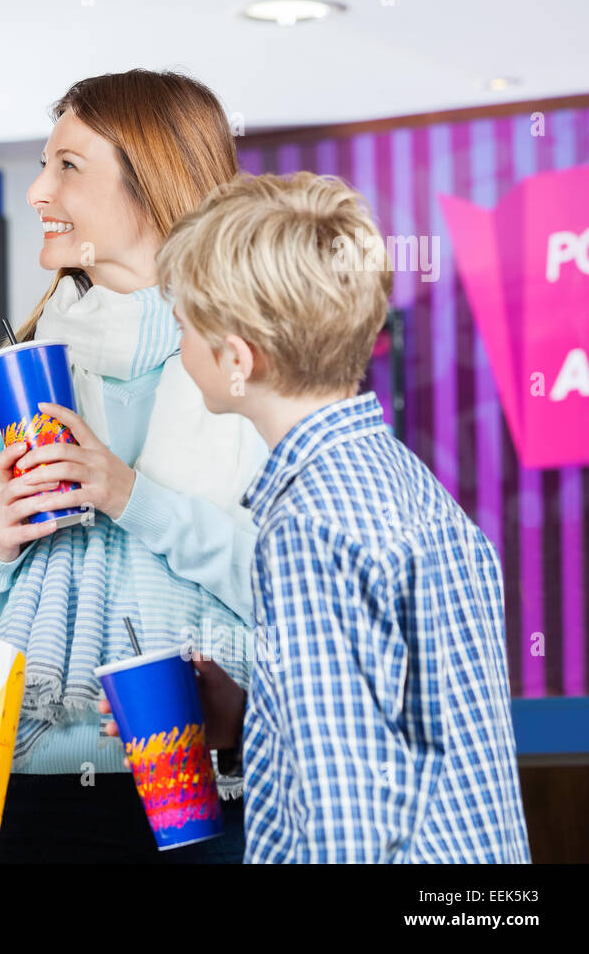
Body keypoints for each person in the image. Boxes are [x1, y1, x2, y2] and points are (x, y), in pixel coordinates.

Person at [0, 70, 267, 863]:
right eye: (43, 165)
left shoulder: (252, 374)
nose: (38, 190)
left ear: (155, 183)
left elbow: (295, 587)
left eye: (68, 167)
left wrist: (130, 497)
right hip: (26, 797)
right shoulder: (2, 384)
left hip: (215, 791)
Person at [154, 170, 531, 862]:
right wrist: (252, 716)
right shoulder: (406, 481)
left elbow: (349, 820)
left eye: (183, 328)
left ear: (237, 357)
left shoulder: (307, 526)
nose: (179, 351)